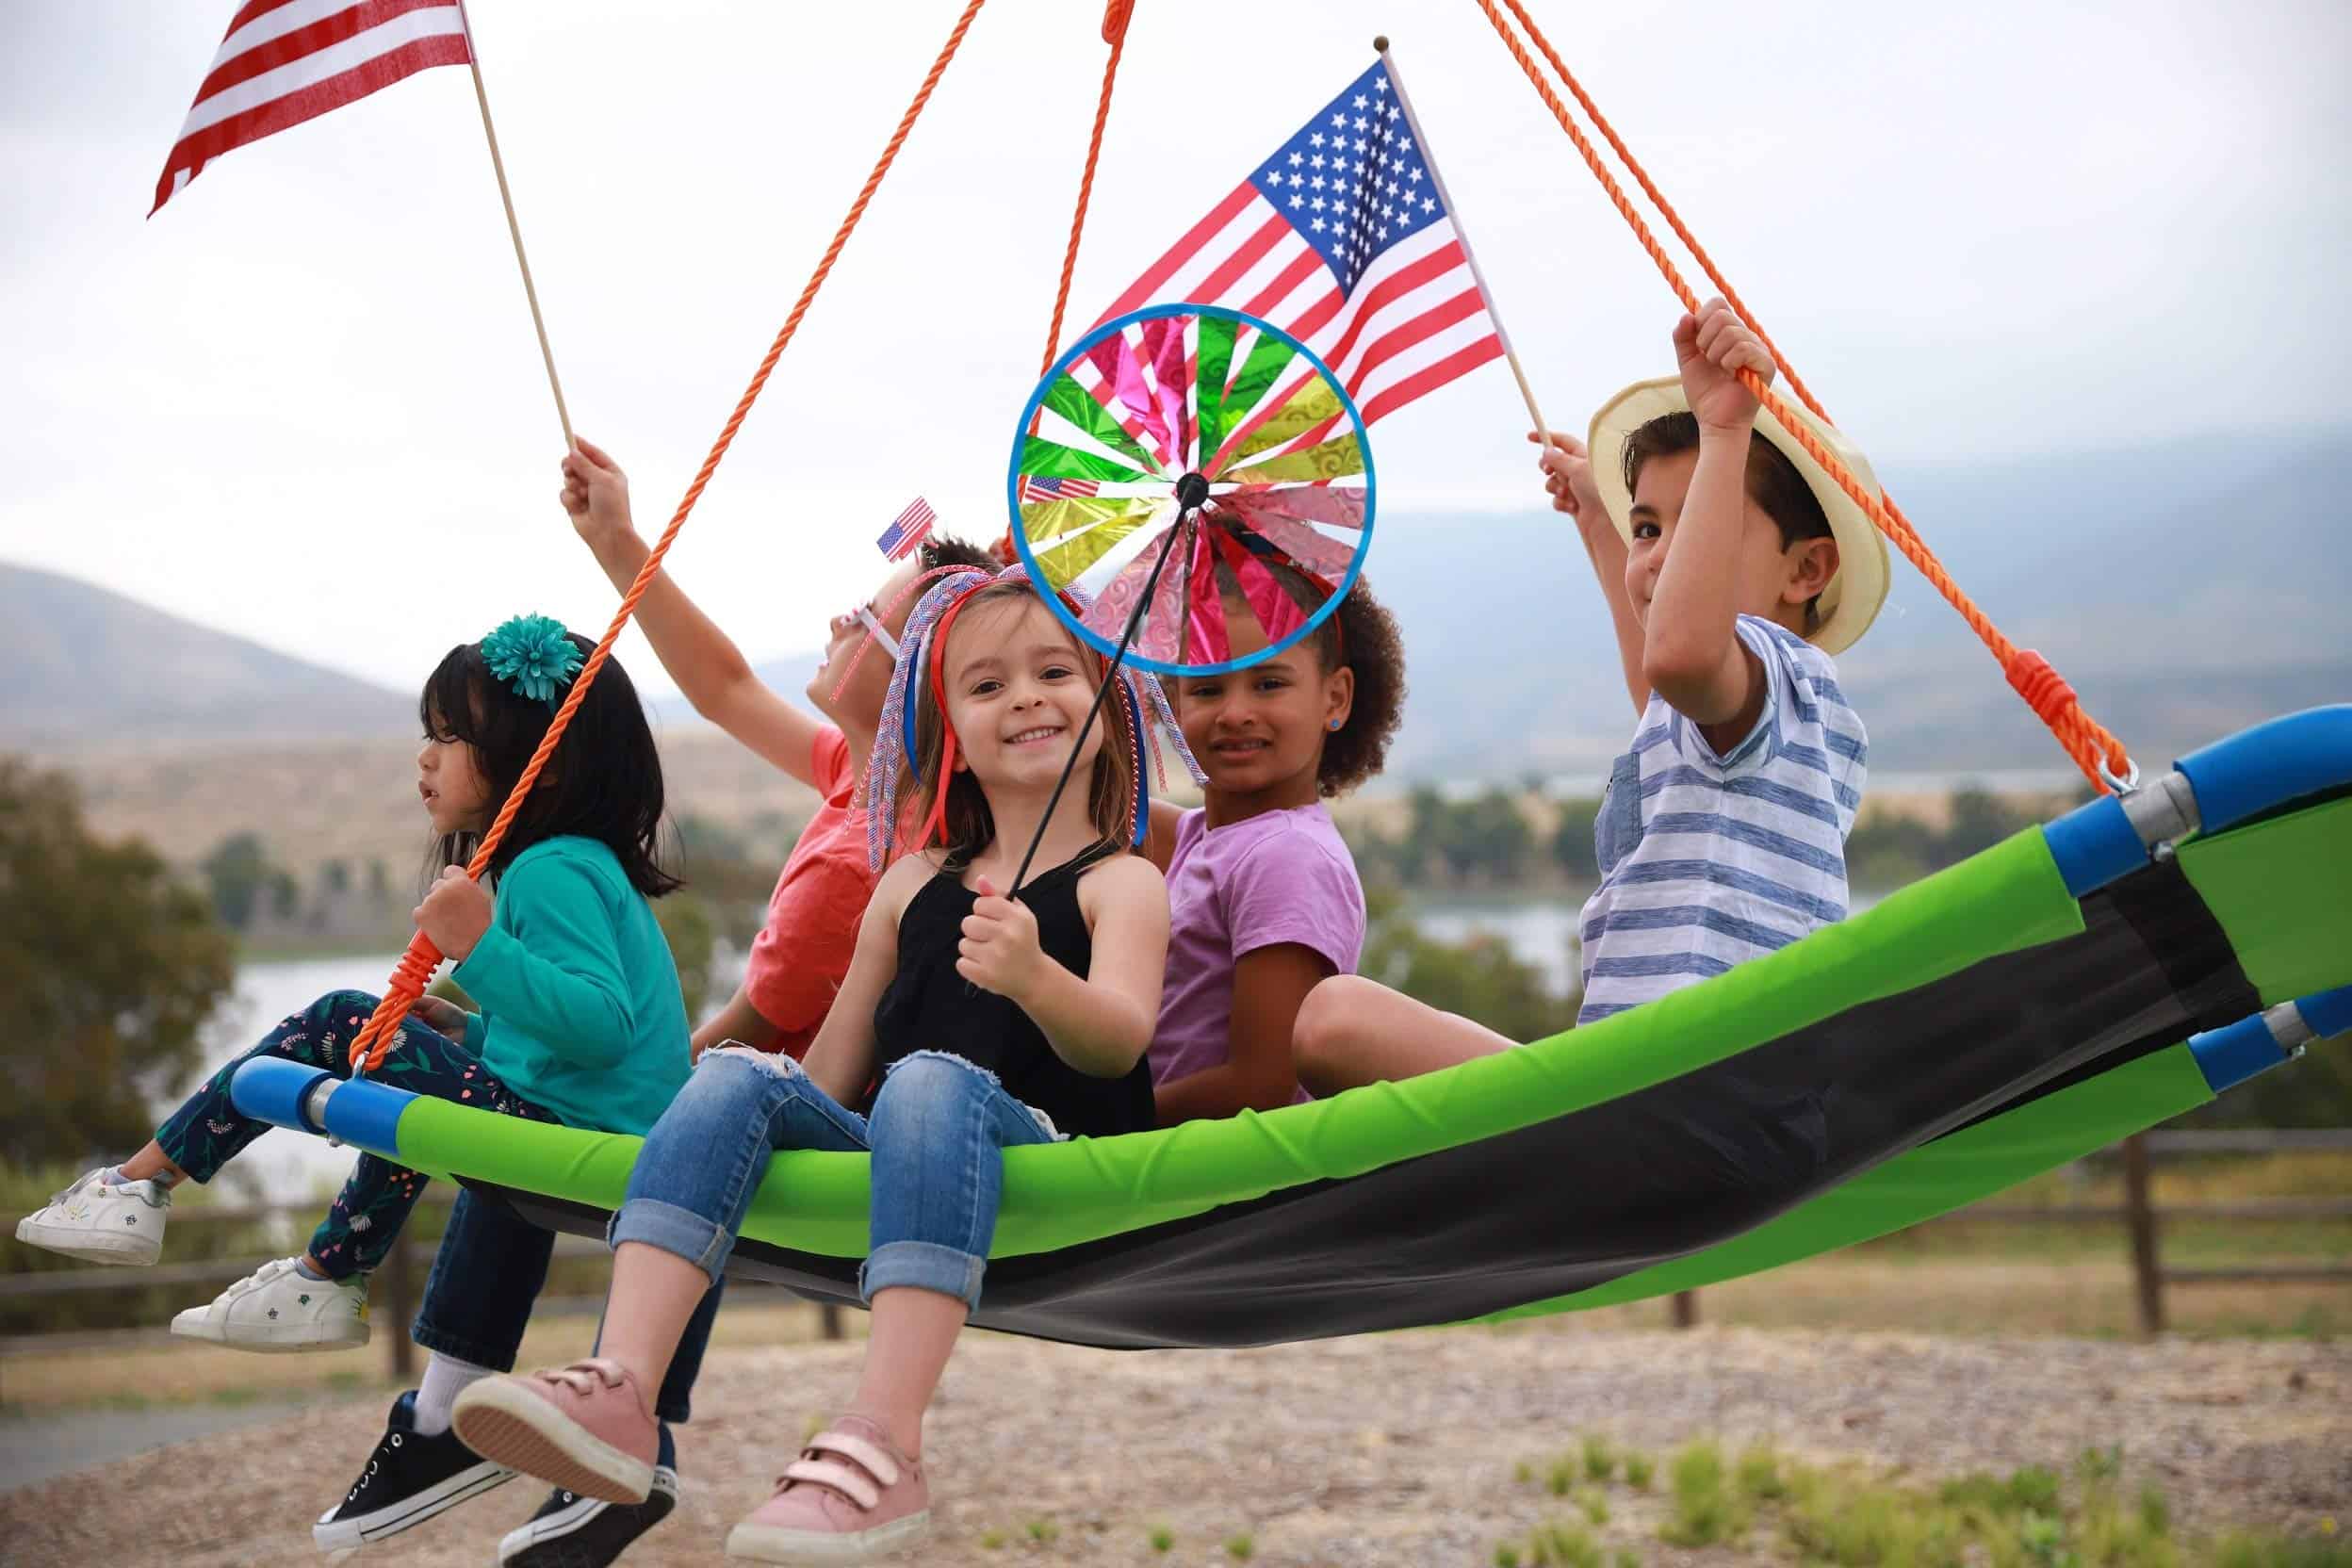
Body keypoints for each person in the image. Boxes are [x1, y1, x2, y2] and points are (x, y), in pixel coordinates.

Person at [451, 564, 1169, 1566]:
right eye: (988, 682)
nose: (1029, 695)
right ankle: (624, 1385)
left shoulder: (1121, 882)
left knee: (927, 1075)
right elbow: (826, 1076)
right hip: (917, 1159)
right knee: (743, 1074)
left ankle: (886, 1438)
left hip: (1065, 1170)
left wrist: (1037, 975)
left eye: (1057, 669)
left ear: (1111, 699)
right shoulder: (909, 882)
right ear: (947, 727)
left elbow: (1121, 1037)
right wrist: (736, 1103)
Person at [10, 617, 708, 1559]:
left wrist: (478, 947)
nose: (424, 759)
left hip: (598, 1144)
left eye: (448, 736)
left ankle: (149, 1184)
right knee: (405, 1045)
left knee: (347, 1018)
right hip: (585, 1127)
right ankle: (387, 1351)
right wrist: (474, 1021)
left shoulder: (552, 866)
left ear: (531, 761)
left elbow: (602, 1023)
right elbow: (563, 1044)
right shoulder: (555, 865)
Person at [1293, 297, 1884, 1091]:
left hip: (1702, 1085)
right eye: (1650, 528)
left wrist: (1726, 430)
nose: (1660, 555)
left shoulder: (1783, 675)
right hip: (1642, 1081)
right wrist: (1603, 527)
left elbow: (1676, 656)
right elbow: (1660, 684)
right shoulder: (1735, 717)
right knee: (1337, 1024)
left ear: (1806, 571)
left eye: (1699, 519)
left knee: (1337, 1019)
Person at [560, 437, 998, 1061]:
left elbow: (734, 1039)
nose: (837, 624)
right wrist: (616, 543)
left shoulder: (852, 868)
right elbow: (726, 690)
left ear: (916, 681)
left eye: (864, 617)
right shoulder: (887, 790)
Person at [1144, 560, 1406, 1123]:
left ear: (1334, 699)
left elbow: (1261, 1083)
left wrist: (1096, 1123)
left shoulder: (1286, 857)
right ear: (1175, 703)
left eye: (1268, 683)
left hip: (1227, 1190)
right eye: (1208, 688)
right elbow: (1089, 804)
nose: (1236, 712)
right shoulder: (1203, 837)